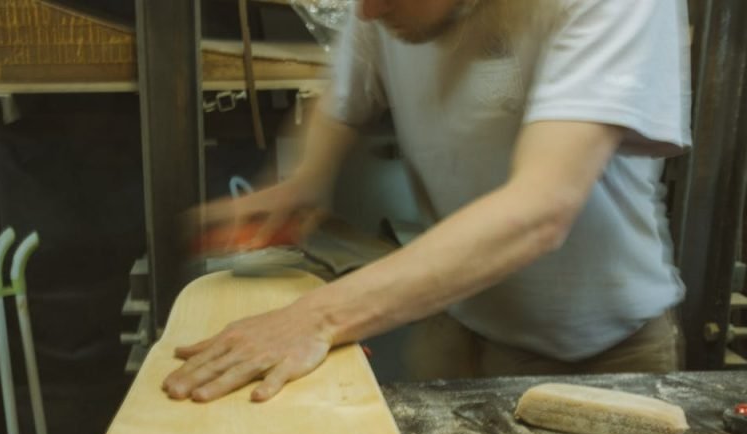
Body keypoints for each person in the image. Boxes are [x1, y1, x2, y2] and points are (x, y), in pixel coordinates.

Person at [164, 0, 692, 403]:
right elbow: (344, 97)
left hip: (599, 359)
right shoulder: (381, 6)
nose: (366, 10)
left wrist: (317, 318)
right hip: (458, 324)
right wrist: (305, 178)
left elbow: (540, 209)